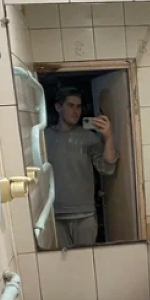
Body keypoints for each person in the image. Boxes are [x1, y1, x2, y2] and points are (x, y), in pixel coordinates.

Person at [44, 87, 117, 248]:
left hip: (85, 213)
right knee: (59, 260)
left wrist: (109, 136)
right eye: (70, 105)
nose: (76, 111)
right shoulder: (45, 137)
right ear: (58, 107)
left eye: (78, 106)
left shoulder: (88, 137)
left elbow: (107, 168)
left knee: (86, 259)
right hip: (55, 213)